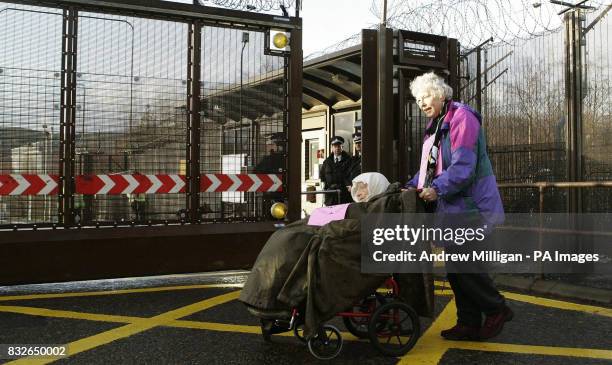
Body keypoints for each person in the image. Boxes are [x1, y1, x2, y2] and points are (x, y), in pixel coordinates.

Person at [405, 71, 510, 341]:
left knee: (466, 266)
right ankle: (468, 322)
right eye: (418, 99)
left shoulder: (461, 117)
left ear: (441, 93)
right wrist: (409, 186)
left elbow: (464, 166)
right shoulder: (435, 126)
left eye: (426, 96)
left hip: (471, 207)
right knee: (456, 268)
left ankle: (496, 308)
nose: (422, 103)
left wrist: (436, 189)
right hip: (454, 208)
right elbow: (427, 171)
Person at [319, 136, 353, 206]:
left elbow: (351, 177)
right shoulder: (327, 162)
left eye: (339, 146)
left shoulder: (349, 161)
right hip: (330, 197)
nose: (337, 148)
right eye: (335, 146)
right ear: (332, 148)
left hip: (344, 196)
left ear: (342, 147)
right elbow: (322, 178)